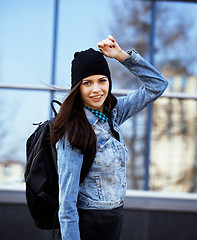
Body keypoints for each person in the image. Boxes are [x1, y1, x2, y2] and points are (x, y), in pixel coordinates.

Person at [51, 35, 168, 240]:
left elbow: (157, 85)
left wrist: (122, 57)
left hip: (115, 219)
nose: (97, 89)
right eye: (87, 83)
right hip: (89, 224)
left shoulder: (113, 114)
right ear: (77, 88)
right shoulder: (73, 131)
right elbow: (67, 205)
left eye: (102, 81)